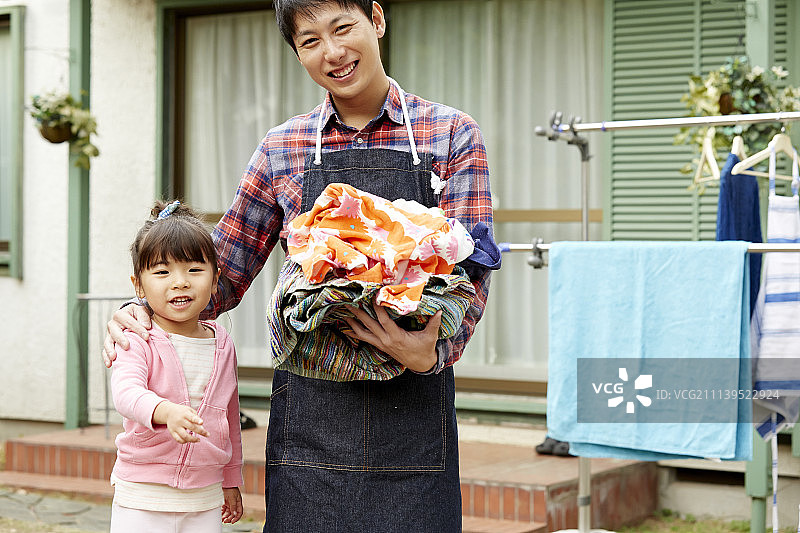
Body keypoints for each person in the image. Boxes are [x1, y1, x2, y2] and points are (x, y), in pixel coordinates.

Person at [104, 0, 497, 530]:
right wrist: (141, 313)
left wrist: (432, 352)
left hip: (413, 412)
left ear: (377, 19)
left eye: (343, 28)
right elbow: (222, 272)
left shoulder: (450, 133)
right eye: (310, 40)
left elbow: (472, 268)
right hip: (310, 426)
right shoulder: (282, 147)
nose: (333, 52)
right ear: (296, 52)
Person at [109, 200, 244, 532]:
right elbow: (126, 393)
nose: (180, 282)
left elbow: (230, 416)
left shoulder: (223, 343)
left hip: (204, 497)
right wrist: (166, 411)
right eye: (162, 272)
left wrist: (231, 478)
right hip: (143, 493)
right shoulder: (137, 338)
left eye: (194, 270)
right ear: (138, 285)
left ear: (215, 279)